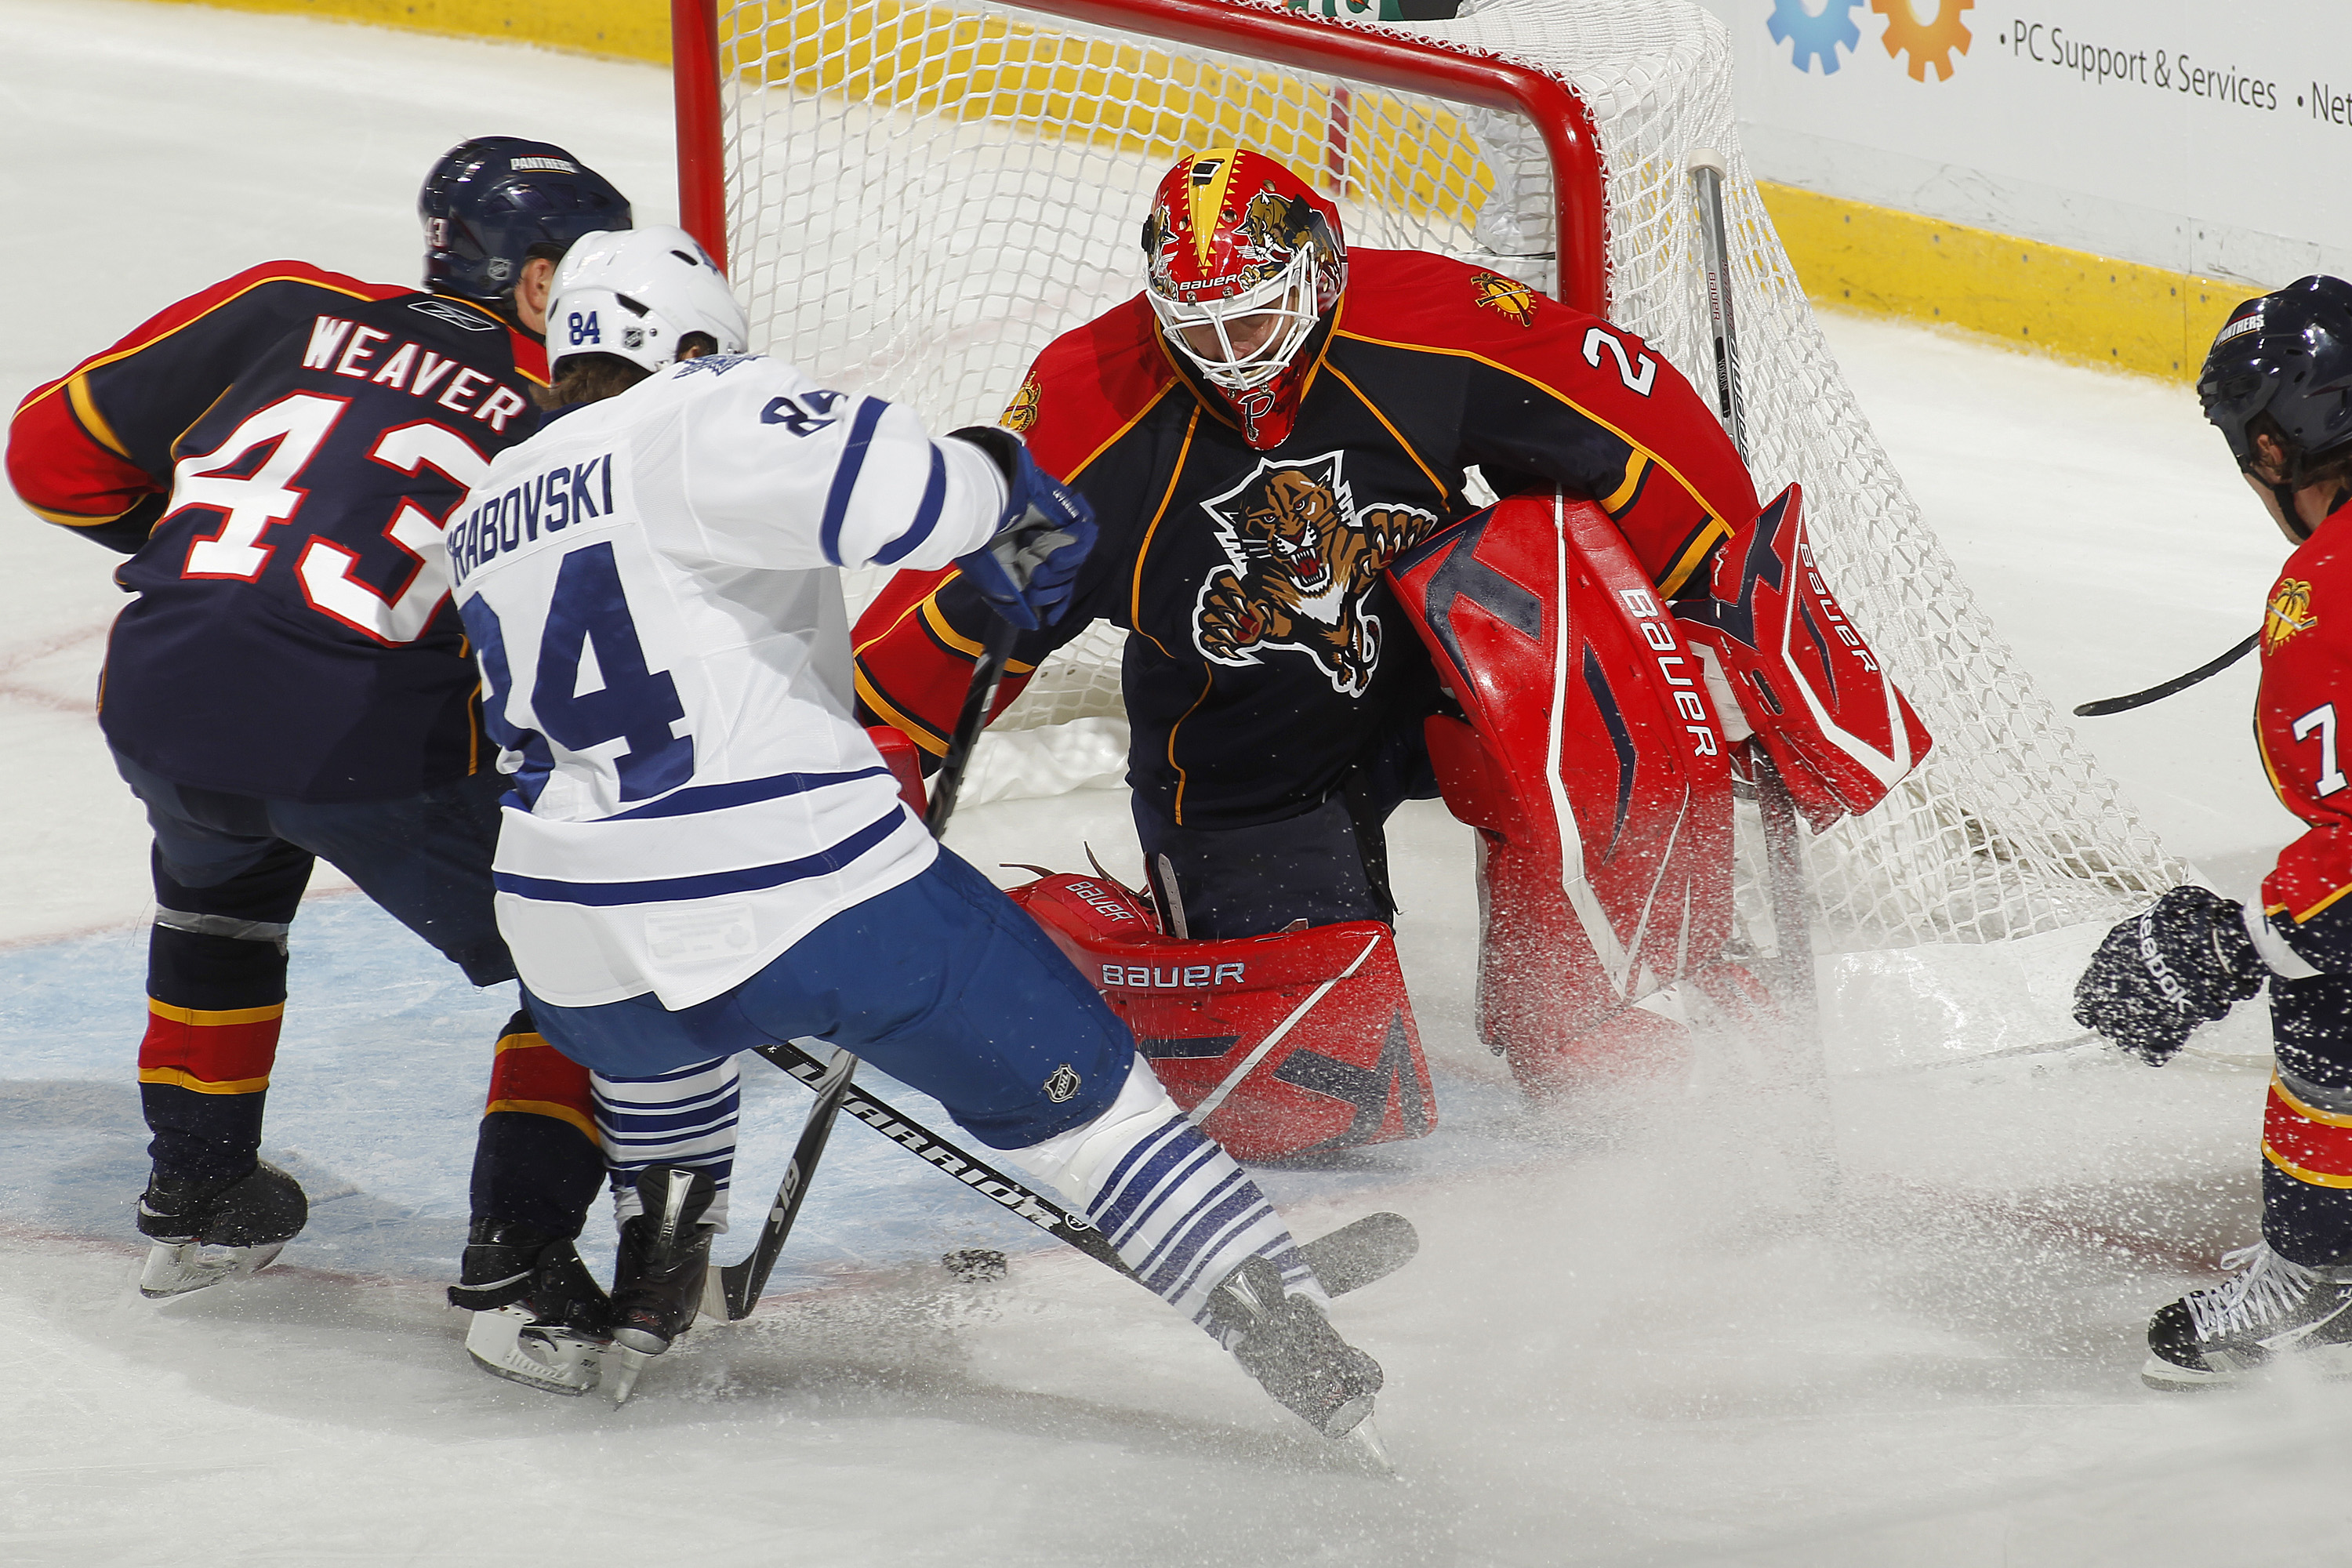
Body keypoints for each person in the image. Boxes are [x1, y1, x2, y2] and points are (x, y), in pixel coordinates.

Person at [438, 223, 1388, 1439]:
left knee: (654, 1046)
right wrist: (1010, 490)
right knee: (1097, 1106)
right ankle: (1291, 1325)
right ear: (683, 342)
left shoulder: (492, 498)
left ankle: (657, 1274)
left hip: (566, 928)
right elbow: (914, 496)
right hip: (791, 889)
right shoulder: (703, 404)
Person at [851, 144, 1764, 1098]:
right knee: (1320, 1096)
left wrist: (1724, 601)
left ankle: (1590, 1011)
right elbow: (961, 606)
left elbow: (1633, 421)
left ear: (1322, 269)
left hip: (1451, 688)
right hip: (1243, 761)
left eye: (1255, 316)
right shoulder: (1091, 409)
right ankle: (1105, 936)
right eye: (1202, 331)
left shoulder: (1432, 320)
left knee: (1588, 657)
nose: (1235, 356)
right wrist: (862, 757)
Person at [4, 136, 630, 1305]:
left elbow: (48, 458)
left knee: (221, 900)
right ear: (542, 280)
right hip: (358, 737)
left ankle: (197, 1189)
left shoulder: (283, 300)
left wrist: (229, 568)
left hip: (158, 690)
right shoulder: (573, 418)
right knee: (591, 962)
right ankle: (525, 1262)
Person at [2074, 274, 2352, 1388]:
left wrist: (2239, 937)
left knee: (2327, 978)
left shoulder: (2330, 591)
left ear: (2278, 449)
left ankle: (2321, 1271)